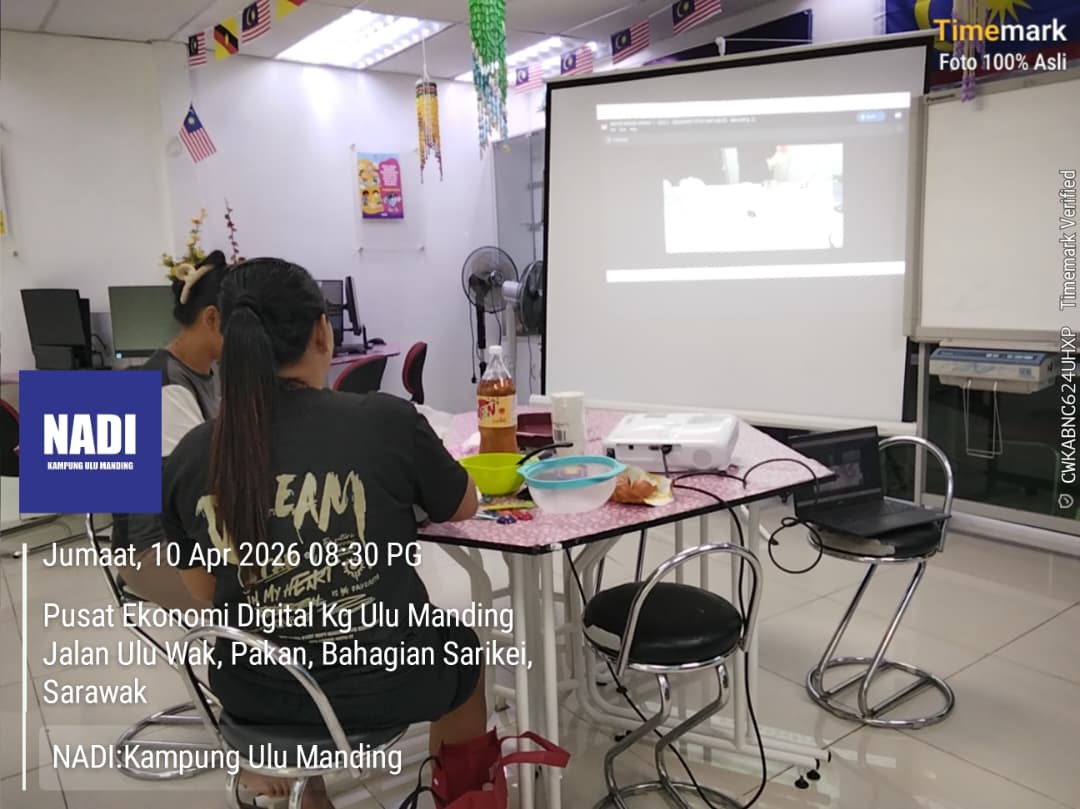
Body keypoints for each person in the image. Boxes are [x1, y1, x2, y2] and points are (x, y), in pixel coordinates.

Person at [160, 258, 486, 808]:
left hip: (253, 692)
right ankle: (460, 798)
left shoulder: (192, 454)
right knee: (461, 650)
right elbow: (464, 504)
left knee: (286, 671)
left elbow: (203, 589)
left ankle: (305, 793)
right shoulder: (384, 420)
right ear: (321, 331)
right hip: (389, 683)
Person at [112, 250, 228, 610]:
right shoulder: (165, 385)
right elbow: (201, 486)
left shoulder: (210, 371)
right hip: (153, 550)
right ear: (212, 318)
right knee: (271, 599)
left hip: (192, 534)